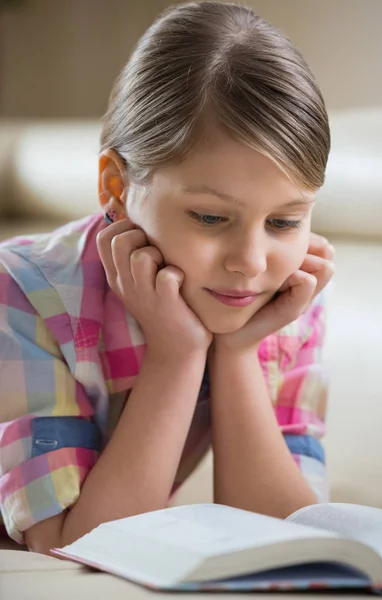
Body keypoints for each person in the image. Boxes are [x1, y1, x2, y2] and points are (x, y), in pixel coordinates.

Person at [0, 1, 334, 555]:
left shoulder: (286, 295)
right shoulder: (26, 290)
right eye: (209, 217)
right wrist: (176, 355)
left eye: (284, 221)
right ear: (115, 188)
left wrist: (237, 352)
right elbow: (68, 551)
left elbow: (285, 545)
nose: (251, 262)